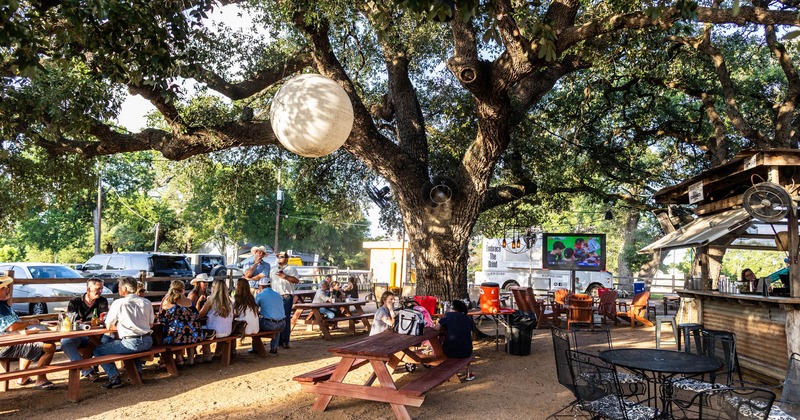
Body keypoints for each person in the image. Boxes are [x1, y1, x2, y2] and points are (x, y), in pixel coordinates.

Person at [93, 276, 154, 389]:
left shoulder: (119, 303)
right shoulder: (146, 302)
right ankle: (137, 373)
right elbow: (150, 324)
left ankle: (114, 378)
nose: (118, 289)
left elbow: (108, 324)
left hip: (131, 342)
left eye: (119, 287)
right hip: (148, 341)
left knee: (98, 350)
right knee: (128, 347)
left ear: (125, 289)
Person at [0, 276, 57, 390]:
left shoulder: (3, 305)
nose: (7, 289)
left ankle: (23, 377)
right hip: (4, 345)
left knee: (32, 343)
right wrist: (29, 322)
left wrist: (26, 328)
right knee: (49, 346)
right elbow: (12, 327)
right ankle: (40, 379)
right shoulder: (1, 307)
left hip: (12, 341)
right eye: (3, 287)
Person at [61, 278, 109, 382]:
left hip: (95, 335)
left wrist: (87, 323)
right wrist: (77, 323)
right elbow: (69, 320)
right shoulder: (75, 302)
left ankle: (89, 371)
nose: (100, 291)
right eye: (98, 289)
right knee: (65, 343)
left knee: (97, 343)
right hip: (78, 334)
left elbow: (104, 319)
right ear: (88, 289)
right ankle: (87, 370)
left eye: (101, 289)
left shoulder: (102, 301)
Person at [158, 280, 201, 365]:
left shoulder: (166, 301)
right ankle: (179, 358)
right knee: (177, 328)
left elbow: (161, 317)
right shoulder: (189, 301)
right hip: (193, 336)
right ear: (183, 290)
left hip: (175, 337)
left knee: (163, 332)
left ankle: (166, 360)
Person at [434, 299, 475, 380]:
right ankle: (468, 372)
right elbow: (470, 334)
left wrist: (438, 321)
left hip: (450, 351)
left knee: (442, 342)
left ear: (454, 309)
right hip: (466, 351)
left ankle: (445, 369)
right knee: (466, 346)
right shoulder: (468, 319)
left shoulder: (448, 316)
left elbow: (436, 328)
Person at [198, 279, 233, 361]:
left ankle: (207, 354)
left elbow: (200, 315)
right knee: (219, 327)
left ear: (214, 288)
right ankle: (218, 352)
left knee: (201, 329)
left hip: (213, 333)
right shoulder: (229, 302)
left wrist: (198, 302)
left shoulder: (211, 301)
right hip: (228, 331)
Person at [270, 251, 299, 349]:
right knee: (276, 318)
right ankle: (277, 341)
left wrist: (285, 277)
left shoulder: (291, 269)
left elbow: (296, 280)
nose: (279, 258)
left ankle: (285, 341)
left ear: (286, 259)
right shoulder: (273, 270)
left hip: (286, 296)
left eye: (281, 257)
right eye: (278, 257)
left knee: (285, 318)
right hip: (275, 297)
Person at [254, 278, 286, 355]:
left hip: (269, 324)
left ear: (261, 286)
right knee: (277, 322)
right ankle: (274, 347)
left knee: (254, 324)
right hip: (282, 323)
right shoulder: (278, 294)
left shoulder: (260, 295)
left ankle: (255, 347)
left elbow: (253, 309)